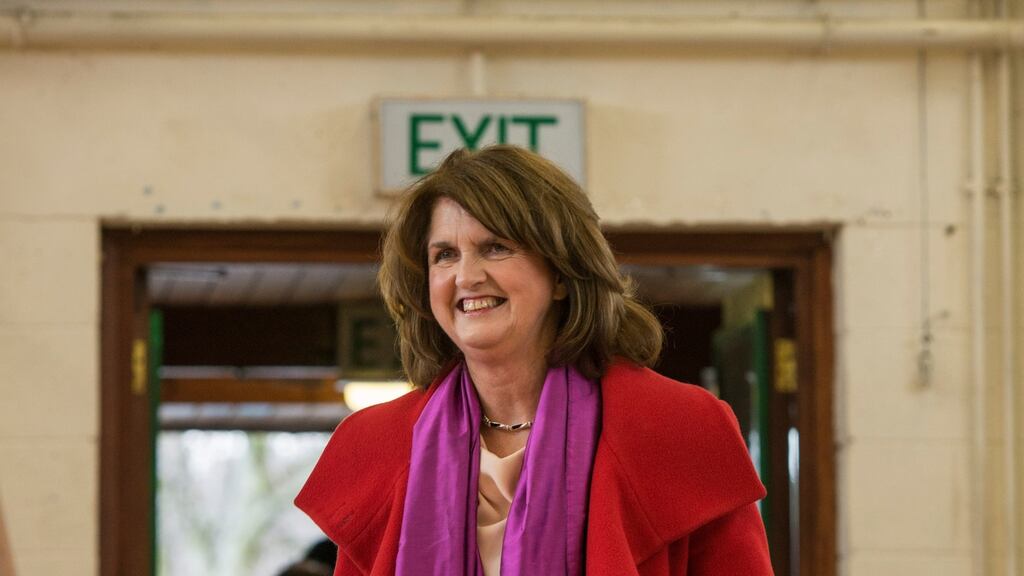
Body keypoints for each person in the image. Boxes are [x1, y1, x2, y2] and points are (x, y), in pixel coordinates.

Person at [295, 145, 773, 575]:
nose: (466, 276)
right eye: (444, 255)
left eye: (495, 247)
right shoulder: (376, 445)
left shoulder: (680, 427)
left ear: (562, 273)